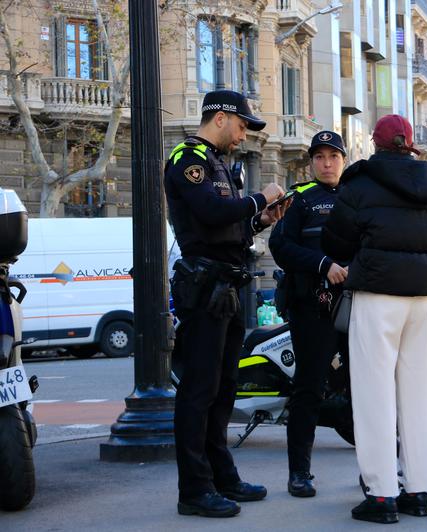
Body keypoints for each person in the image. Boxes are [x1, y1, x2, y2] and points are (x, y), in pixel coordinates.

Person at [321, 114, 427, 524]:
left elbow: (335, 240)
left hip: (377, 295)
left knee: (373, 396)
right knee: (418, 395)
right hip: (422, 300)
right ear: (409, 145)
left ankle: (381, 495)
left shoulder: (361, 183)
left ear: (376, 145)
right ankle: (419, 489)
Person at [165, 89, 288, 518]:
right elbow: (211, 212)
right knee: (199, 390)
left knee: (223, 389)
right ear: (220, 118)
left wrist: (259, 220)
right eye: (240, 126)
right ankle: (194, 490)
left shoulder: (218, 161)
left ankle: (222, 477)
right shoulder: (189, 157)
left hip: (227, 287)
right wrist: (260, 198)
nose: (242, 136)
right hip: (205, 288)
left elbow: (227, 226)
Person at [268, 131, 350, 498]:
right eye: (320, 157)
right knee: (309, 388)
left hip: (356, 306)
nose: (327, 163)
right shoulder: (300, 198)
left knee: (367, 388)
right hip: (313, 308)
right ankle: (299, 473)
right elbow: (280, 246)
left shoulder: (356, 196)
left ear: (343, 160)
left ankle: (378, 474)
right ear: (312, 162)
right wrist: (322, 264)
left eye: (333, 156)